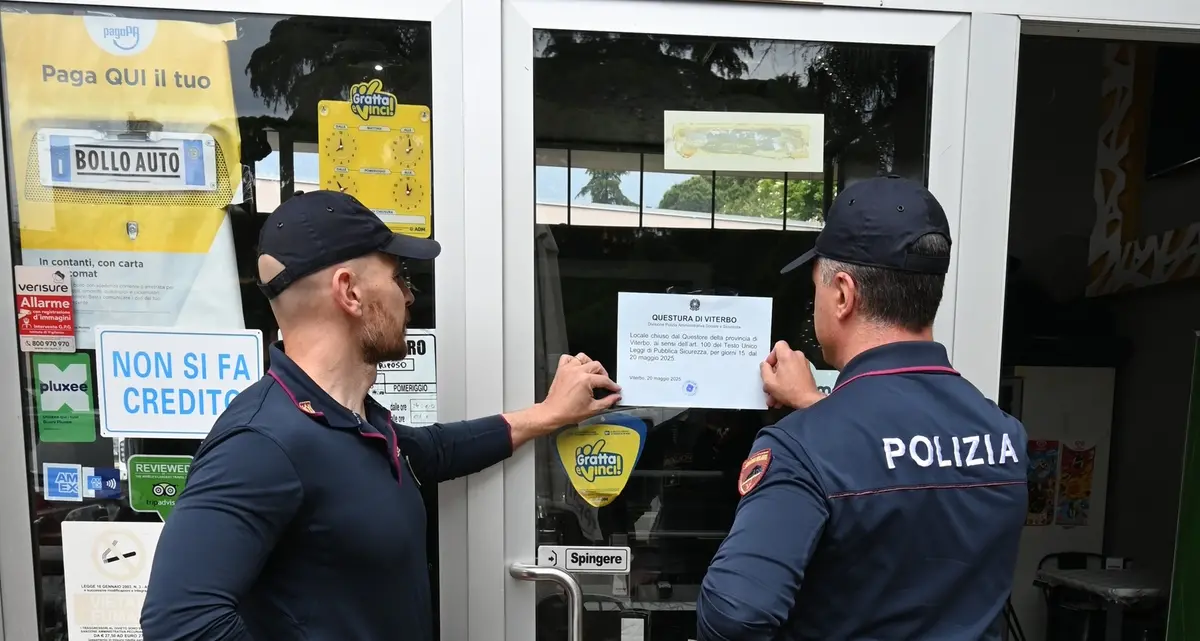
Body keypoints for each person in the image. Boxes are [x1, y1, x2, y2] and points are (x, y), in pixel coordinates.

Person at [140, 191, 621, 641]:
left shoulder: (353, 421)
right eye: (398, 278)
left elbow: (436, 450)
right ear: (349, 292)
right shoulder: (262, 442)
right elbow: (180, 621)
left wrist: (548, 414)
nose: (408, 297)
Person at [696, 176, 1028, 641]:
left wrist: (813, 419)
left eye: (815, 287)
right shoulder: (1003, 435)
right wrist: (815, 405)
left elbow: (734, 616)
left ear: (843, 294)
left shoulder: (802, 448)